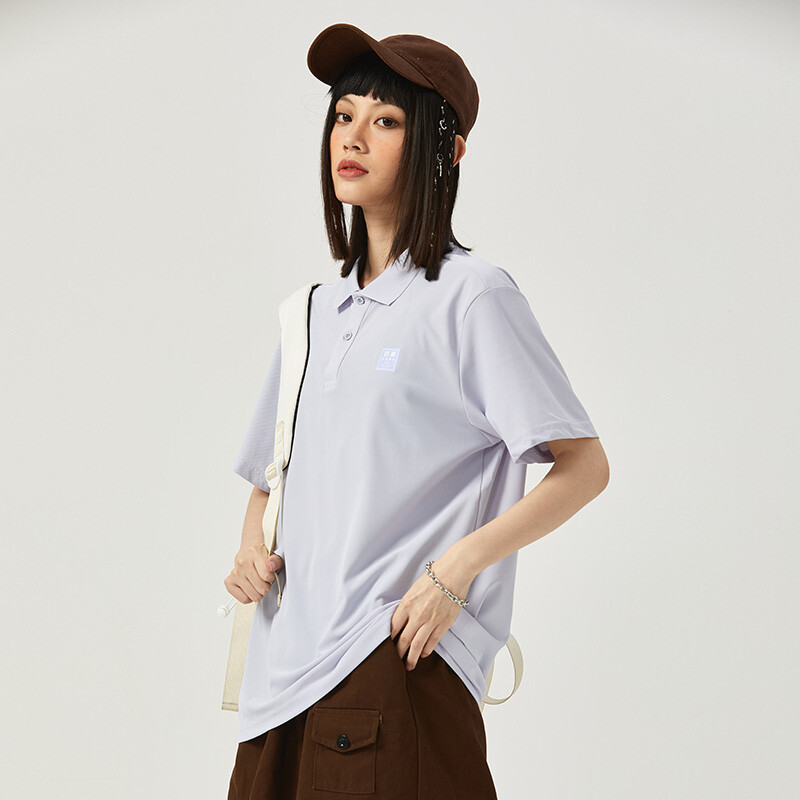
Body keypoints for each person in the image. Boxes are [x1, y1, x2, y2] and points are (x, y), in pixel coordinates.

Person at [224, 23, 609, 800]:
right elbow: (273, 473)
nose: (352, 136)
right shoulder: (312, 312)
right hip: (280, 678)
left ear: (447, 150)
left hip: (391, 657)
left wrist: (455, 571)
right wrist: (247, 550)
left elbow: (584, 466)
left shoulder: (472, 298)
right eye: (344, 115)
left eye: (386, 120)